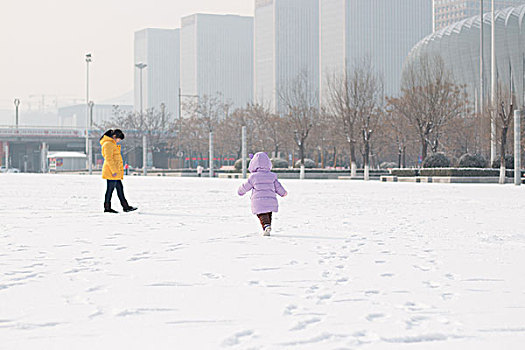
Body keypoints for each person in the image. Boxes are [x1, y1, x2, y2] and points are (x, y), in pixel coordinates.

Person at [238, 152, 287, 236]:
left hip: (258, 201)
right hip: (271, 200)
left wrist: (240, 191)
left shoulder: (253, 177)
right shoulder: (272, 176)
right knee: (268, 214)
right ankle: (267, 226)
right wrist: (283, 193)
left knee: (261, 214)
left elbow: (246, 186)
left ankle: (266, 226)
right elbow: (278, 187)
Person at [100, 129, 137, 213]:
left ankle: (125, 206)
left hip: (115, 171)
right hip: (111, 171)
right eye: (119, 139)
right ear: (114, 136)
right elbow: (109, 159)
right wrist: (113, 171)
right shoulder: (107, 144)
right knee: (110, 189)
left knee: (120, 188)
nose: (119, 141)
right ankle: (107, 208)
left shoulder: (112, 144)